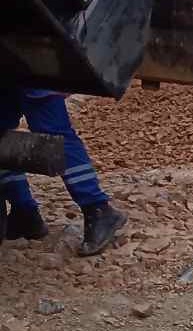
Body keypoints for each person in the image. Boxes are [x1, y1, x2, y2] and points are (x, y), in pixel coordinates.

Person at [0, 88, 126, 256]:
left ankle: (98, 209)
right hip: (15, 71)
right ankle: (24, 213)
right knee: (2, 134)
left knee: (55, 132)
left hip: (33, 70)